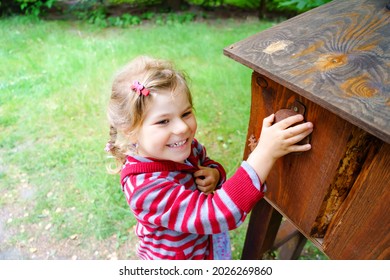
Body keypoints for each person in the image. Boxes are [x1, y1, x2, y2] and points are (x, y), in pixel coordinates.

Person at [105, 55, 313, 260]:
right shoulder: (145, 189)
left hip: (203, 245)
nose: (182, 127)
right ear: (130, 130)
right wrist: (265, 153)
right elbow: (217, 213)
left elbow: (205, 162)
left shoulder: (185, 148)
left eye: (186, 113)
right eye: (163, 121)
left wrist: (215, 173)